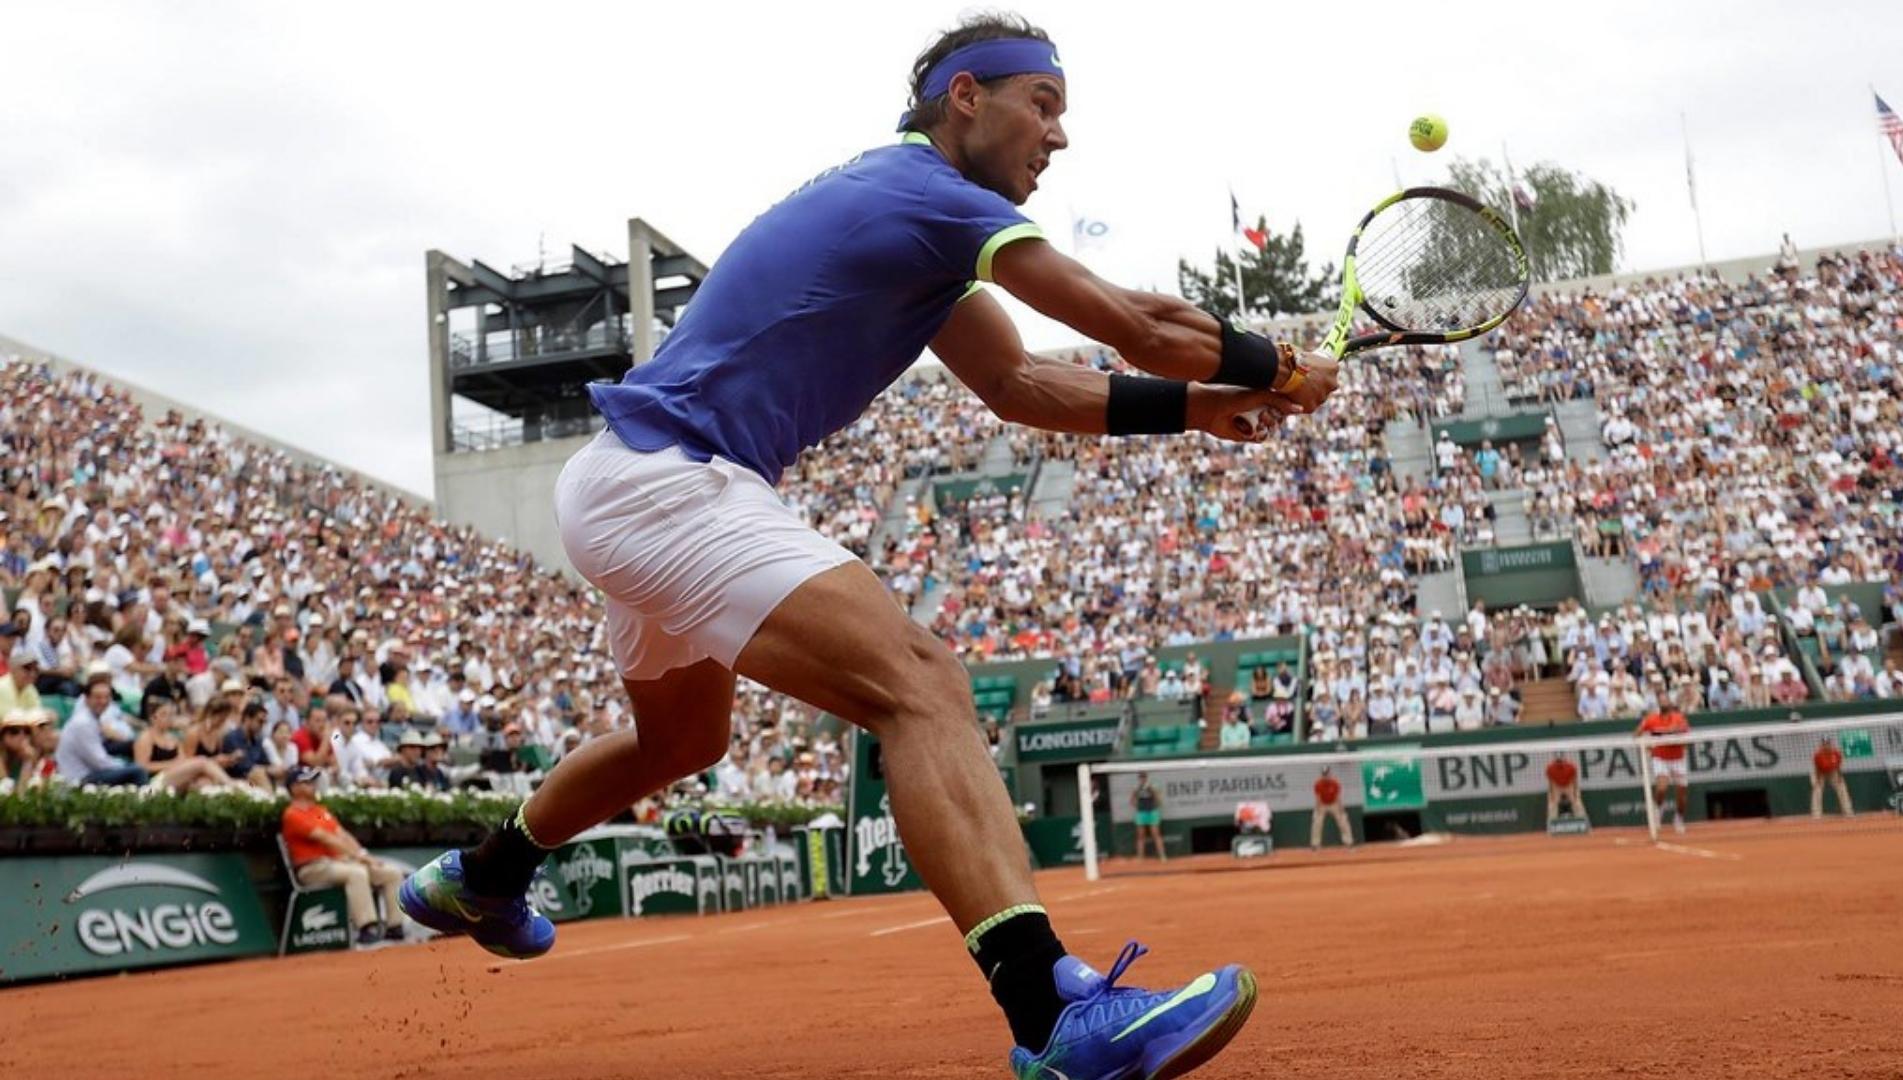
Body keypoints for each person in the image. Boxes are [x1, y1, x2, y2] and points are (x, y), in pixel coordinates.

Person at [402, 18, 1334, 1075]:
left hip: (633, 481)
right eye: (1045, 105)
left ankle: (481, 873)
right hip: (671, 482)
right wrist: (1278, 364)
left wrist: (1201, 407)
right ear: (967, 97)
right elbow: (1134, 321)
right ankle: (1048, 1018)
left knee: (681, 746)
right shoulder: (925, 195)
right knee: (921, 686)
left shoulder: (916, 226)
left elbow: (1019, 386)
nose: (1060, 136)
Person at [280, 765, 407, 947]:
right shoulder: (292, 814)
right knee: (357, 873)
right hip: (312, 868)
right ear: (294, 788)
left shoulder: (319, 811)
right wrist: (360, 858)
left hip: (338, 863)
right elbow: (327, 839)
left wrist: (364, 855)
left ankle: (395, 927)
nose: (313, 785)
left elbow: (342, 835)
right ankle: (366, 928)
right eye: (307, 782)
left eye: (312, 781)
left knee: (391, 873)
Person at [132, 699, 241, 793]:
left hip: (174, 775)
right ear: (153, 717)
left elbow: (183, 760)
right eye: (164, 714)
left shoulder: (173, 738)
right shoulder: (145, 738)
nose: (169, 718)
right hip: (156, 780)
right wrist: (171, 764)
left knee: (203, 782)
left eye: (171, 714)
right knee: (201, 761)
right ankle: (232, 785)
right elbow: (142, 767)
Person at [54, 678, 149, 786]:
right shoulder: (83, 723)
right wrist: (124, 764)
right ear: (87, 699)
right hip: (78, 778)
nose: (103, 701)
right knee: (138, 771)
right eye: (98, 697)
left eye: (107, 697)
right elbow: (100, 762)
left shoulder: (92, 718)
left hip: (89, 771)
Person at [1636, 695, 1691, 836]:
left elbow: (1688, 738)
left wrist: (1680, 743)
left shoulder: (1679, 719)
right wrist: (1647, 746)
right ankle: (1657, 810)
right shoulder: (1651, 719)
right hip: (1660, 757)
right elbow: (1637, 734)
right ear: (1658, 703)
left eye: (1666, 700)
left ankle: (1678, 818)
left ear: (1670, 703)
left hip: (1678, 758)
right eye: (1661, 701)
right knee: (1661, 787)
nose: (1664, 703)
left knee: (1682, 794)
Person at [1309, 767, 1354, 851]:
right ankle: (1315, 844)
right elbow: (1318, 798)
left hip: (1334, 804)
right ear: (1322, 775)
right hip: (1322, 804)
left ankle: (1349, 843)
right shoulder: (1318, 784)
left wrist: (1341, 809)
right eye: (1324, 775)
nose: (1326, 776)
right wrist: (1317, 810)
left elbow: (1338, 797)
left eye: (1327, 774)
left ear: (1330, 774)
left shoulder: (1335, 783)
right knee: (1317, 823)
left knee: (1343, 821)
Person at [1809, 736, 1854, 819]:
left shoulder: (1836, 753)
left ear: (1830, 744)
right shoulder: (1818, 755)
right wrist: (1818, 781)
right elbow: (1817, 768)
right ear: (1821, 745)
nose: (1826, 745)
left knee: (1842, 788)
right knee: (1817, 791)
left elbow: (1838, 767)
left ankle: (1848, 811)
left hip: (1832, 771)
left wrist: (1840, 777)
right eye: (1824, 744)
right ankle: (1816, 814)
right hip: (1819, 772)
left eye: (1828, 743)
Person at [1131, 773, 1167, 861]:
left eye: (1144, 777)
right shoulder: (1136, 788)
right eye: (1141, 777)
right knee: (1140, 835)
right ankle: (1140, 857)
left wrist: (1152, 791)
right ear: (1139, 778)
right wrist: (1138, 807)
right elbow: (1132, 800)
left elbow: (1158, 800)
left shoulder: (1153, 786)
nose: (1142, 779)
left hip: (1152, 812)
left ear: (1146, 778)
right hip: (1141, 813)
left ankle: (1162, 856)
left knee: (1156, 834)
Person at [1544, 753, 1586, 823]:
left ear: (1564, 760)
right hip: (1556, 786)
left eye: (1561, 761)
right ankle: (1552, 822)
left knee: (1577, 802)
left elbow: (1574, 781)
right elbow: (1551, 782)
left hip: (1569, 785)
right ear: (1555, 761)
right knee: (1552, 804)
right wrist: (1552, 794)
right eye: (1558, 761)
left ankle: (1581, 820)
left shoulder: (1571, 767)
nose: (1559, 763)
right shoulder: (1550, 768)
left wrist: (1575, 793)